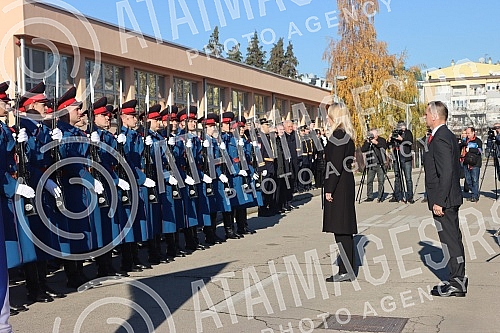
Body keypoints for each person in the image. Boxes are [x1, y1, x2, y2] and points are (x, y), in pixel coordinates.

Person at [423, 101, 466, 297]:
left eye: (426, 115)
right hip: (450, 196)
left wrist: (439, 200)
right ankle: (457, 278)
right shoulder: (446, 135)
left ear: (434, 116)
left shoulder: (440, 137)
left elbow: (447, 171)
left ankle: (456, 281)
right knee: (453, 239)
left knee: (450, 241)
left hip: (445, 199)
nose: (425, 119)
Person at [322, 103, 357, 282]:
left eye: (329, 116)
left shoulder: (337, 136)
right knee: (344, 229)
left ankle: (345, 270)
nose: (327, 119)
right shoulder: (347, 136)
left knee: (341, 229)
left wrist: (329, 189)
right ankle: (347, 268)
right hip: (346, 182)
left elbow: (334, 165)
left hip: (339, 185)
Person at [389, 121, 414, 203]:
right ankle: (397, 196)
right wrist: (389, 138)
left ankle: (410, 197)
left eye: (402, 126)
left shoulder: (408, 133)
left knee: (408, 178)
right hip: (397, 158)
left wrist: (402, 139)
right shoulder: (395, 133)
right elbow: (389, 144)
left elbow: (410, 142)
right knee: (397, 177)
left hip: (406, 158)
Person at [360, 129, 387, 202]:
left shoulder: (382, 140)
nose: (372, 136)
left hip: (380, 163)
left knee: (381, 180)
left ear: (377, 134)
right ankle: (370, 196)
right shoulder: (368, 141)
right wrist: (368, 142)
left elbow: (384, 147)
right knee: (369, 180)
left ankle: (380, 196)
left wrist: (376, 143)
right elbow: (363, 149)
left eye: (373, 134)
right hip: (371, 164)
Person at [462, 126, 482, 202]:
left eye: (469, 133)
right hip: (466, 162)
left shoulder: (478, 141)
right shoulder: (465, 141)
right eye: (466, 133)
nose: (467, 135)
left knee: (475, 180)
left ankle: (475, 195)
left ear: (473, 133)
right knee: (468, 180)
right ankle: (475, 192)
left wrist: (470, 149)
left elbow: (479, 151)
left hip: (475, 163)